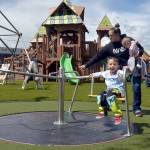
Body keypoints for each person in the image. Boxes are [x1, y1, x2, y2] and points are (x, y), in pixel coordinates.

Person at [80, 23, 143, 117]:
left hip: (133, 66)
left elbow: (139, 48)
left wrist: (139, 53)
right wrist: (87, 65)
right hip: (121, 70)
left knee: (136, 86)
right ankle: (109, 104)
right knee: (112, 88)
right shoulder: (109, 47)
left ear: (117, 35)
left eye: (110, 35)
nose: (109, 37)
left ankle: (137, 108)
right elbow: (98, 56)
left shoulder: (127, 40)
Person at [90, 57, 124, 125]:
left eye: (114, 64)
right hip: (109, 91)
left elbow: (126, 73)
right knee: (101, 94)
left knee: (109, 92)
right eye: (110, 64)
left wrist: (127, 70)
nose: (112, 66)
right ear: (108, 65)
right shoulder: (106, 73)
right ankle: (101, 112)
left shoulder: (119, 72)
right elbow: (99, 73)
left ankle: (118, 115)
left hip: (118, 90)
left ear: (118, 66)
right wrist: (93, 75)